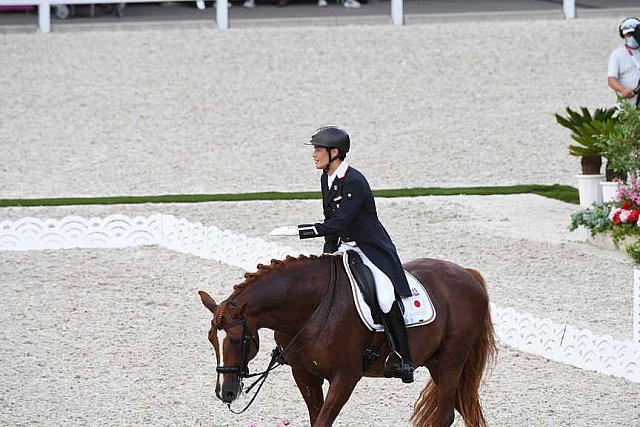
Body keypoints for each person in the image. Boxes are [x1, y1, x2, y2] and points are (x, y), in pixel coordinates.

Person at [296, 126, 414, 383]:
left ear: (334, 152)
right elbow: (332, 220)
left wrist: (300, 231)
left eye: (318, 150)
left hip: (370, 248)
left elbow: (337, 223)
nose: (314, 155)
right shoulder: (327, 178)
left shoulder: (354, 182)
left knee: (383, 294)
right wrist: (327, 255)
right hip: (345, 246)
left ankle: (403, 358)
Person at [608, 17, 640, 106]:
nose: (631, 37)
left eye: (634, 34)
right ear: (623, 36)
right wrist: (623, 90)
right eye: (628, 34)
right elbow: (611, 80)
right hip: (628, 104)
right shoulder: (617, 54)